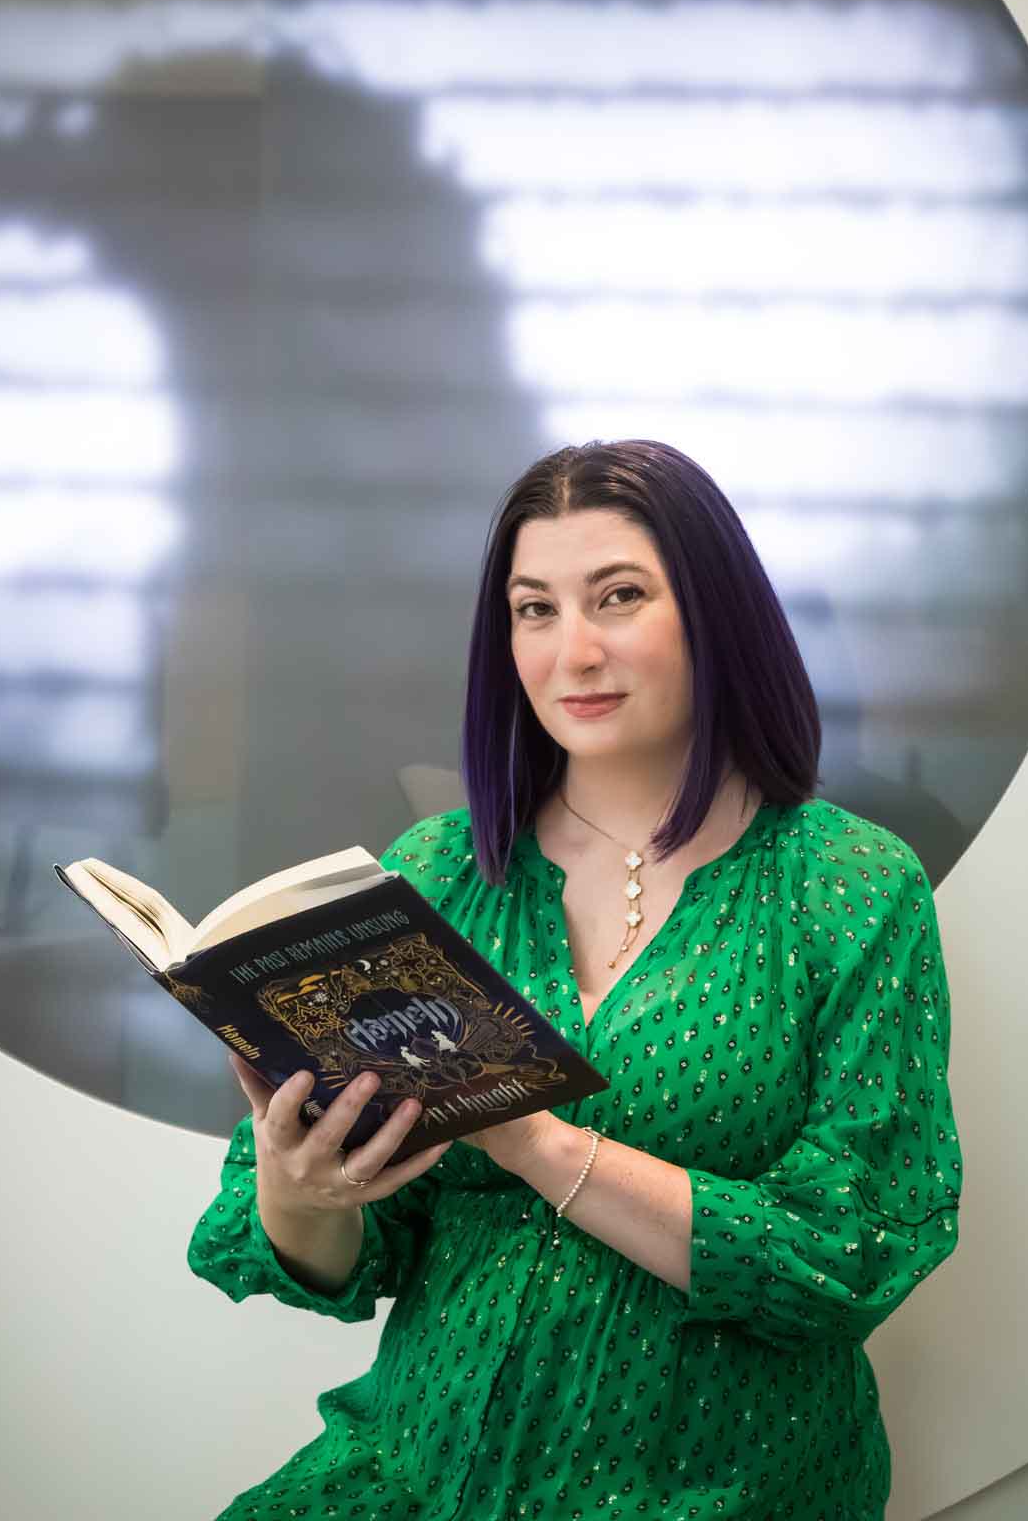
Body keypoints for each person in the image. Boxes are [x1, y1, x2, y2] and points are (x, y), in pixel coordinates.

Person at [187, 439, 963, 1519]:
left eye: (619, 596)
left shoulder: (850, 887)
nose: (572, 651)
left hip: (719, 1489)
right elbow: (350, 1263)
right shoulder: (435, 873)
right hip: (412, 1473)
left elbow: (852, 1248)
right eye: (533, 608)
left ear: (714, 611)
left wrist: (529, 1133)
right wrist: (302, 1184)